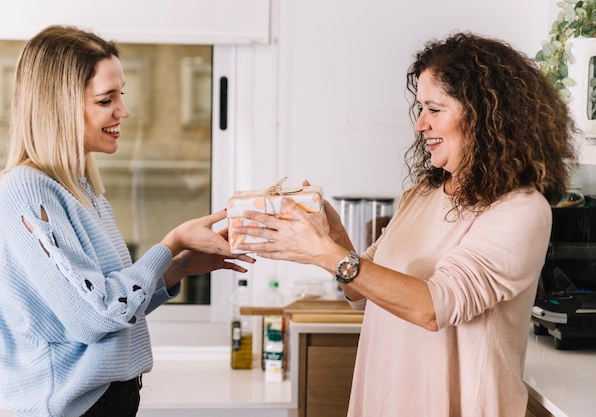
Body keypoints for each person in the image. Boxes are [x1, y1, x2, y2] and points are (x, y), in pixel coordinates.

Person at [235, 32, 578, 416]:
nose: (419, 125)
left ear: (485, 116)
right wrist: (334, 241)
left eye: (434, 109)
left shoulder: (519, 210)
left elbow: (433, 308)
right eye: (420, 109)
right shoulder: (421, 195)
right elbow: (362, 295)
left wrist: (328, 255)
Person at [0, 25, 254, 417]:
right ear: (59, 105)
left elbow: (113, 306)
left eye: (121, 95)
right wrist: (171, 243)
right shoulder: (27, 193)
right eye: (106, 99)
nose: (123, 110)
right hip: (72, 408)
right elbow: (93, 319)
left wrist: (177, 270)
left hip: (110, 399)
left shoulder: (83, 190)